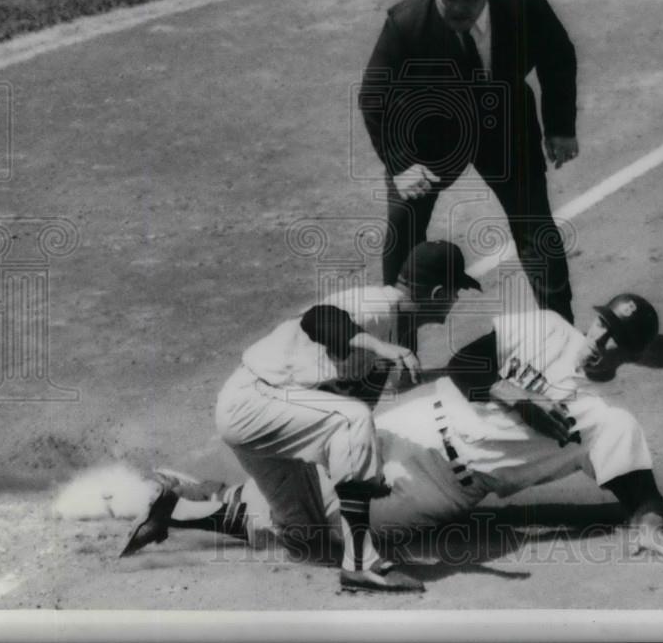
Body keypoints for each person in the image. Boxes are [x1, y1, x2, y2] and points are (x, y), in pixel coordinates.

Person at [116, 294, 663, 566]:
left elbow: (639, 490)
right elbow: (467, 363)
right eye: (601, 324)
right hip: (414, 422)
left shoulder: (604, 419)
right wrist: (508, 390)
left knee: (318, 535)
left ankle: (187, 506)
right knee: (310, 476)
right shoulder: (545, 328)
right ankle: (202, 500)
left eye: (615, 339)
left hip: (438, 485)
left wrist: (648, 523)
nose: (600, 340)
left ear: (634, 354)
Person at [121, 240, 481, 594]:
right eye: (456, 290)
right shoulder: (376, 307)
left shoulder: (394, 327)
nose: (457, 299)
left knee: (309, 542)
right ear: (437, 292)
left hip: (271, 413)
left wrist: (448, 374)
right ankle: (361, 566)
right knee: (350, 419)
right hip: (253, 402)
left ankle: (172, 509)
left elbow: (386, 386)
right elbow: (318, 319)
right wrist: (380, 347)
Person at [359, 0, 579, 322]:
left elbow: (558, 57)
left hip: (505, 121)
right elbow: (373, 96)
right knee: (403, 224)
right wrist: (401, 164)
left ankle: (559, 328)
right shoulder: (407, 22)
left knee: (535, 224)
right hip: (428, 133)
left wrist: (560, 127)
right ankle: (395, 341)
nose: (458, 8)